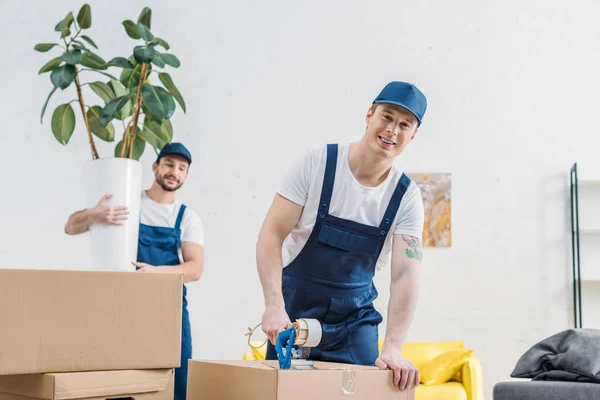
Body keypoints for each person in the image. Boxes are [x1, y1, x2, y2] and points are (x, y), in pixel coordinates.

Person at [256, 81, 427, 390]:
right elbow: (271, 234)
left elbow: (406, 275)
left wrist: (393, 347)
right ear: (369, 115)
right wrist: (273, 305)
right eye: (386, 117)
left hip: (354, 321)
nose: (392, 130)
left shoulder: (406, 197)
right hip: (293, 312)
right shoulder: (316, 164)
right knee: (284, 394)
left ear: (413, 135)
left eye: (404, 125)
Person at [64, 142, 204, 400]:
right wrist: (94, 214)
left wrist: (155, 272)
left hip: (169, 308)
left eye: (182, 168)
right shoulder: (129, 201)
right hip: (124, 304)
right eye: (169, 164)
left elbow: (195, 269)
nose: (175, 171)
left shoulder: (187, 218)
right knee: (120, 377)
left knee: (179, 376)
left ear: (186, 176)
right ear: (155, 167)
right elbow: (70, 227)